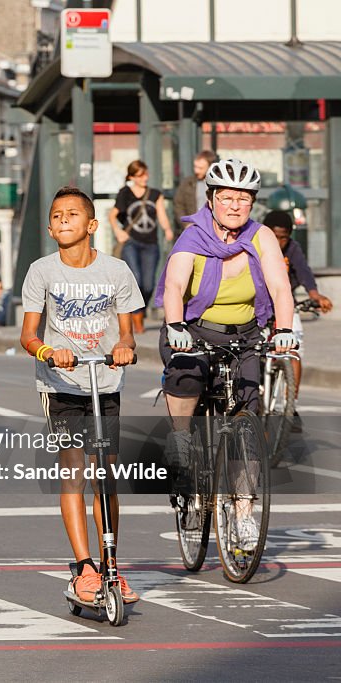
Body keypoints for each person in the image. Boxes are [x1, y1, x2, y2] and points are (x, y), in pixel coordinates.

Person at [154, 158, 295, 552]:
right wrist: (176, 325)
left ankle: (244, 514)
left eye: (244, 199)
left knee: (247, 419)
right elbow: (174, 285)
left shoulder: (261, 236)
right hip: (194, 331)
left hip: (245, 334)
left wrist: (282, 330)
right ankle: (182, 447)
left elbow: (281, 288)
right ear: (212, 198)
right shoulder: (192, 237)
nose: (235, 206)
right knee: (186, 378)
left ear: (253, 203)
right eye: (227, 197)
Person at [20, 186, 143, 606]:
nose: (62, 221)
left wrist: (125, 346)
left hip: (104, 381)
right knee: (74, 470)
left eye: (71, 214)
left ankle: (111, 565)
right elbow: (28, 335)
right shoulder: (41, 271)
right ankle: (84, 568)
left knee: (105, 474)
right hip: (62, 385)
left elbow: (127, 328)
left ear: (91, 225)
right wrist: (48, 352)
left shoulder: (116, 271)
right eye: (56, 216)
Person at [263, 209, 333, 429]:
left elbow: (304, 272)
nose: (279, 242)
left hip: (286, 305)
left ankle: (290, 406)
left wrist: (314, 295)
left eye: (284, 237)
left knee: (295, 350)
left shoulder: (292, 249)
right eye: (274, 236)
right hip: (258, 306)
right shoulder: (255, 246)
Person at [108, 160, 175, 334]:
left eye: (145, 174)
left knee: (148, 284)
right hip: (131, 242)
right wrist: (118, 231)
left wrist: (167, 229)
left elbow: (161, 214)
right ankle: (136, 317)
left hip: (150, 243)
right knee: (136, 279)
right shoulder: (125, 193)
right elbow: (112, 215)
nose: (144, 178)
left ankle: (138, 311)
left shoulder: (154, 194)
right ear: (132, 177)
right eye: (139, 175)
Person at [173, 150, 218, 238]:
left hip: (214, 230)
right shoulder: (188, 183)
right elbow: (178, 205)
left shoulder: (218, 185)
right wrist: (186, 224)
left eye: (200, 168)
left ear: (210, 167)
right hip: (194, 230)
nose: (196, 171)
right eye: (195, 167)